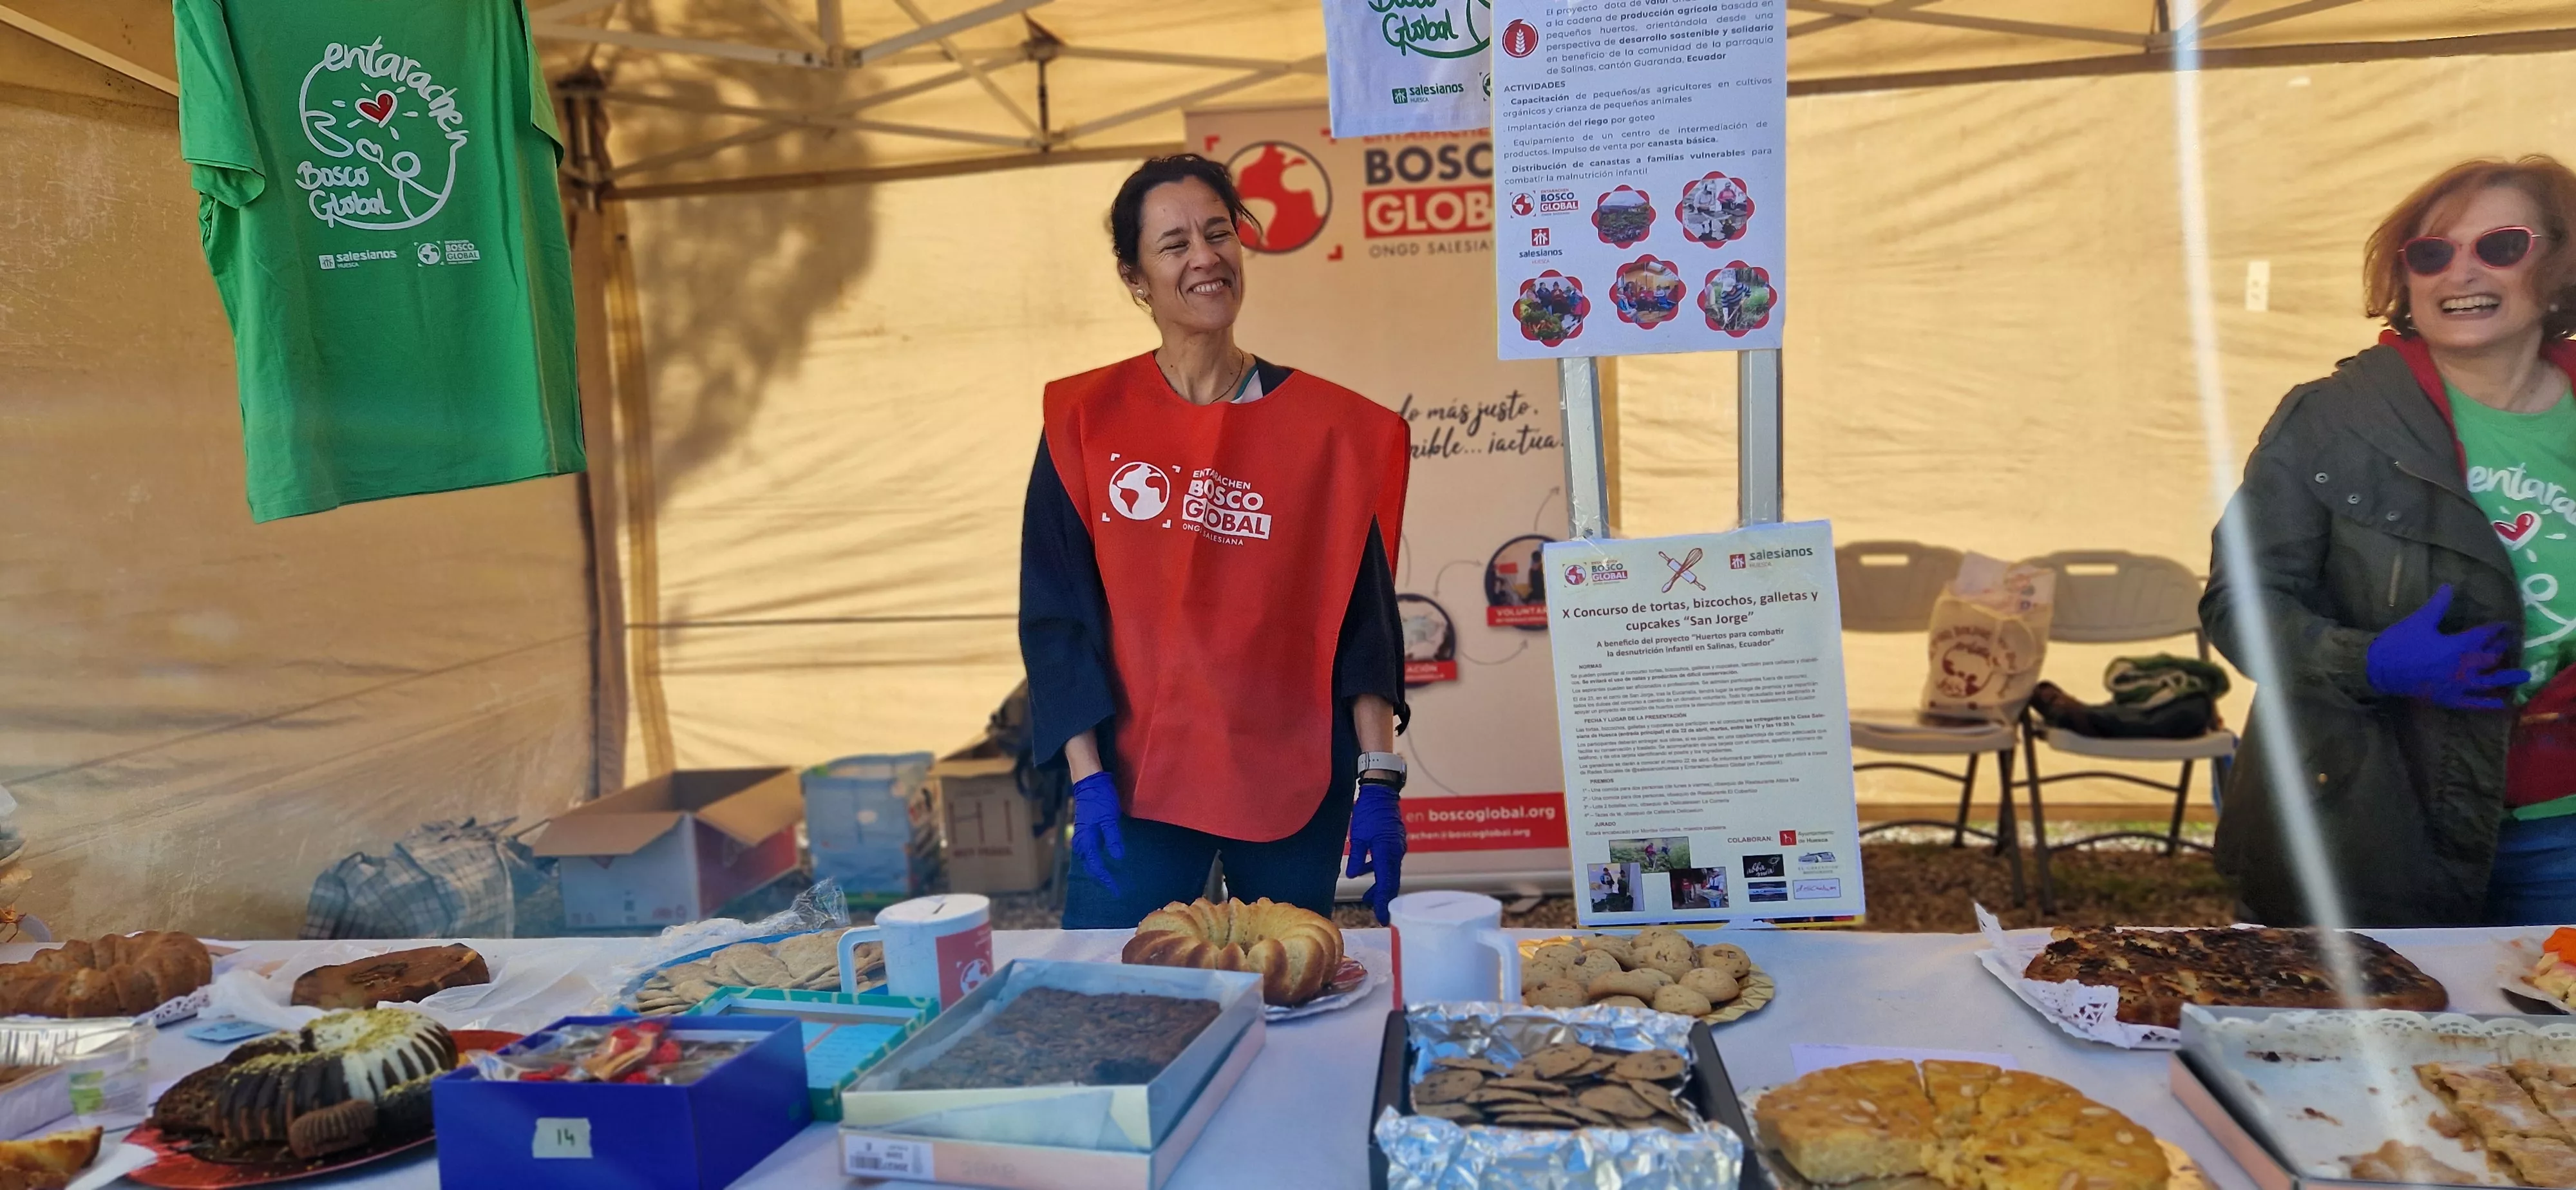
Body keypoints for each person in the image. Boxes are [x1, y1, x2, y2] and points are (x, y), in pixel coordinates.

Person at [1019, 155, 1414, 929]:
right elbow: (1056, 614)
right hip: (1136, 782)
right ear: (1135, 277)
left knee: (1285, 979)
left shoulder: (1328, 432)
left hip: (1292, 777)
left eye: (1218, 233)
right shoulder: (1085, 421)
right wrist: (1086, 776)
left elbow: (1364, 622)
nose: (1204, 257)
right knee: (1114, 986)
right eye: (1174, 245)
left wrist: (1379, 780)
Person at [2205, 156, 2576, 926]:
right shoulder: (2332, 419)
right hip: (2373, 818)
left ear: (2559, 266)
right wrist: (2366, 661)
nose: (2460, 272)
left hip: (2562, 831)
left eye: (2500, 246)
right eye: (2431, 253)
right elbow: (2238, 603)